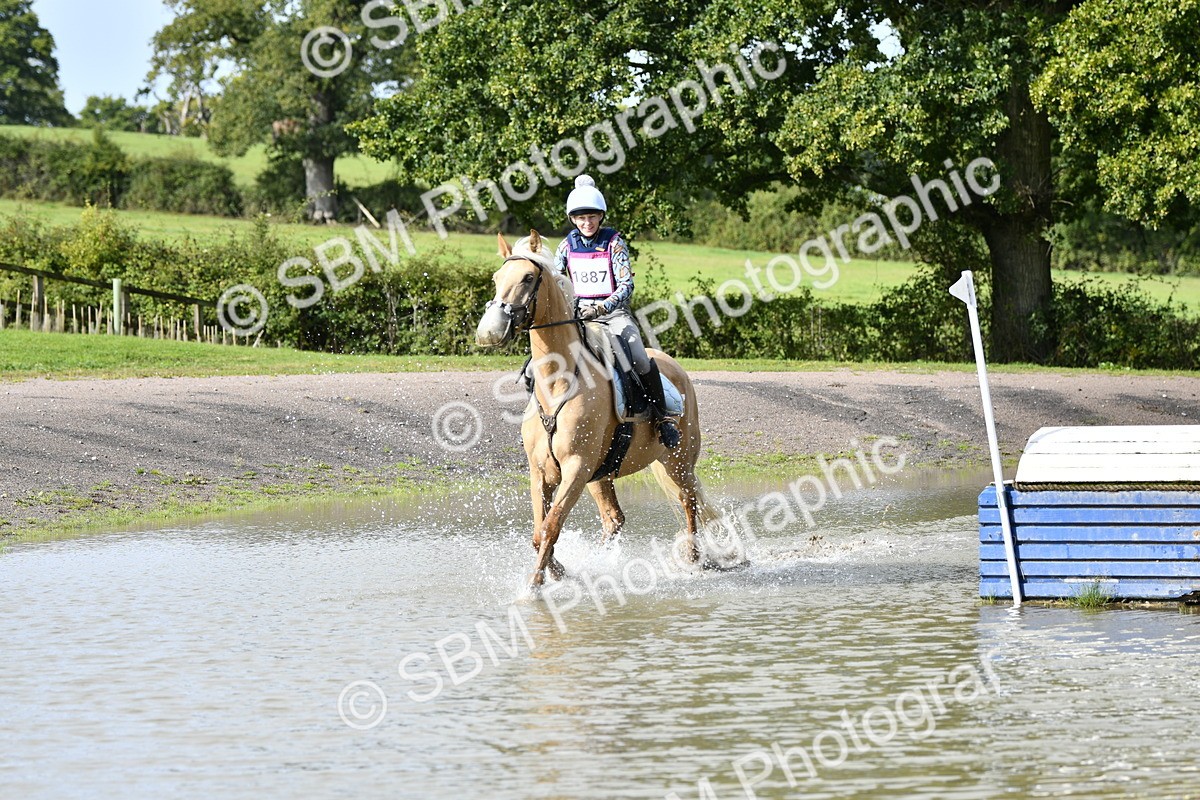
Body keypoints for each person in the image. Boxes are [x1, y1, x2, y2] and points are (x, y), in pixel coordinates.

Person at [555, 175, 680, 449]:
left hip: (613, 315)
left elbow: (626, 285)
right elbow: (555, 280)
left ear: (600, 216)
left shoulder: (613, 243)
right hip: (578, 316)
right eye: (581, 218)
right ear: (573, 220)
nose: (586, 223)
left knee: (638, 357)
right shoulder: (566, 246)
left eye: (591, 217)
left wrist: (602, 306)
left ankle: (662, 417)